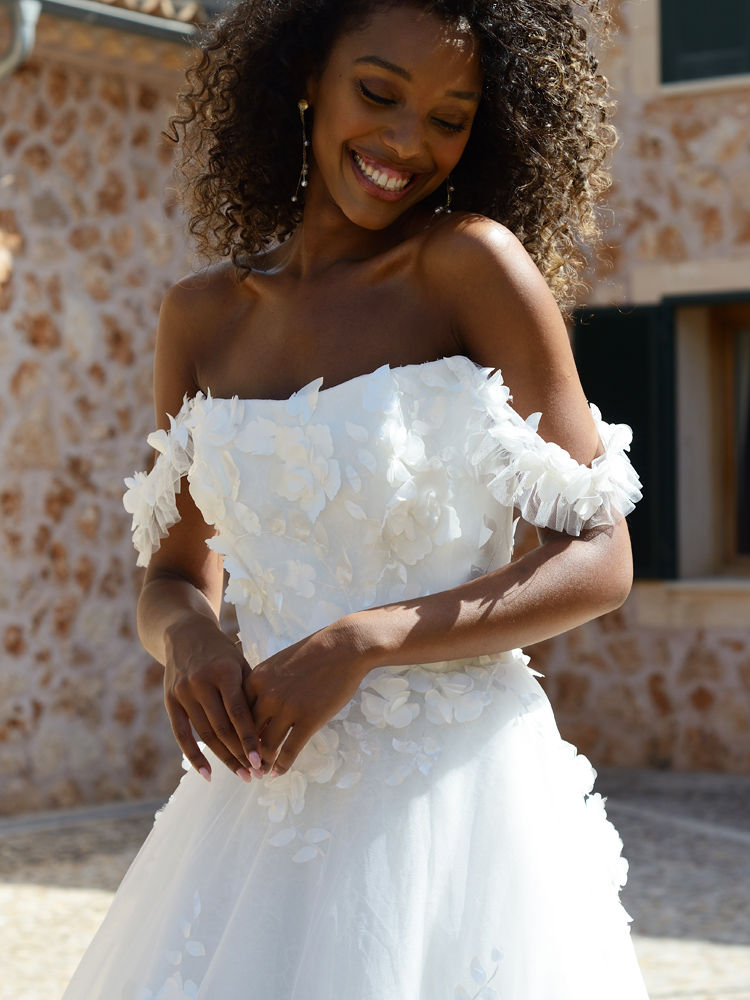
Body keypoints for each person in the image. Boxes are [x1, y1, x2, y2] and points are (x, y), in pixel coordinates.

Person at [63, 0, 649, 997]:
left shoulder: (471, 268)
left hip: (458, 809)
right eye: (378, 94)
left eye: (449, 115)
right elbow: (170, 576)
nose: (407, 143)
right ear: (304, 78)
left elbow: (599, 560)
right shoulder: (200, 316)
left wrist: (366, 638)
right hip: (260, 807)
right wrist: (192, 640)